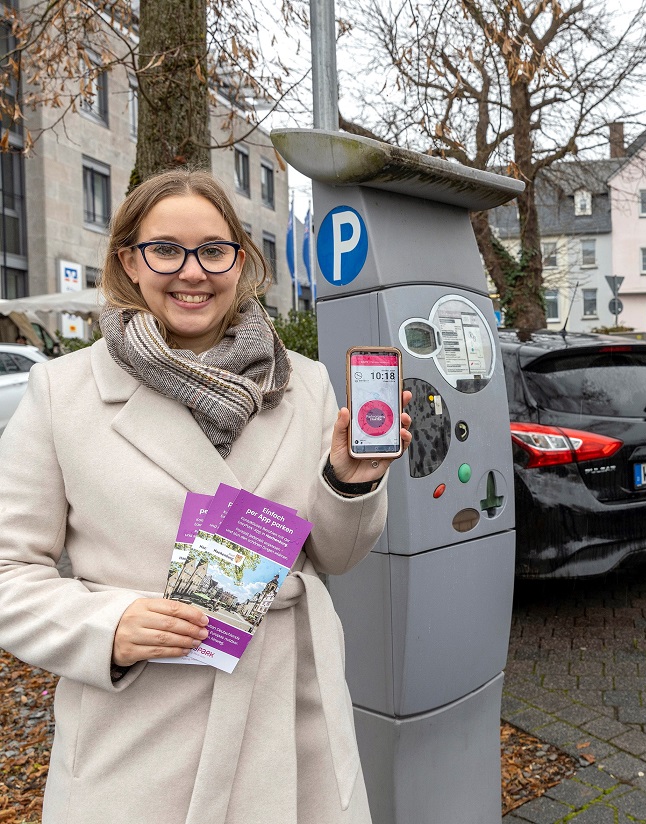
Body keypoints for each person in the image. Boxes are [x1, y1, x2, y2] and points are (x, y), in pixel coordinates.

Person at [0, 169, 411, 824]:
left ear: (239, 261)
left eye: (213, 250)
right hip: (141, 736)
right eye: (166, 249)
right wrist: (109, 626)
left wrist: (349, 480)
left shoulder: (304, 385)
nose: (192, 272)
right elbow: (8, 574)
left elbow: (336, 555)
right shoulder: (62, 393)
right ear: (129, 260)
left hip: (293, 723)